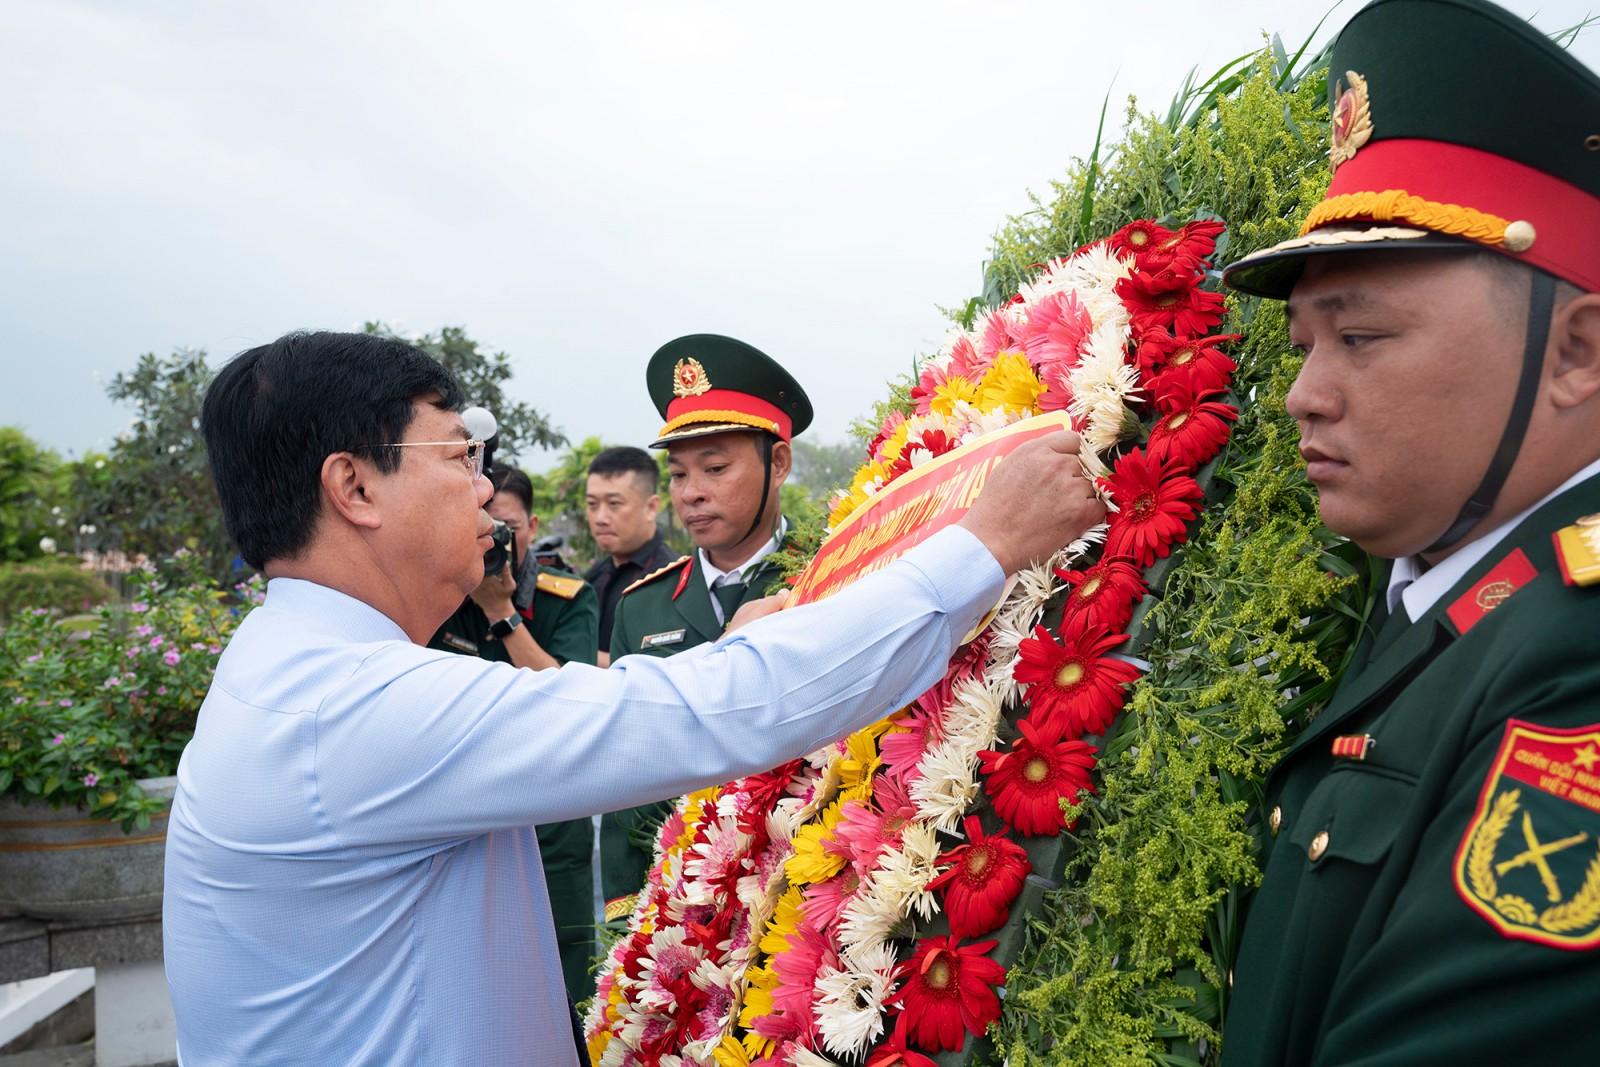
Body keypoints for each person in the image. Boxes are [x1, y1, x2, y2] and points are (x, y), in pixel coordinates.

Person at [163, 329, 1103, 1065]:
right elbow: (700, 714)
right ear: (355, 485)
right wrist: (989, 538)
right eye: (459, 454)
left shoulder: (301, 669)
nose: (486, 488)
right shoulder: (346, 705)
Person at [1218, 1, 1600, 1062]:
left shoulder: (1576, 656)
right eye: (1303, 343)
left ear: (1578, 351)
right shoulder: (1444, 585)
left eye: (1361, 336)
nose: (1302, 394)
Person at [599, 334, 812, 917]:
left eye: (715, 468)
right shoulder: (641, 607)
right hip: (678, 913)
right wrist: (629, 919)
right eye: (678, 475)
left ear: (780, 462)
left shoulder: (829, 575)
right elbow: (628, 776)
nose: (691, 493)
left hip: (802, 893)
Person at [426, 465, 600, 1004]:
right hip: (466, 824)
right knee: (485, 982)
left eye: (509, 526)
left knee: (570, 978)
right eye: (482, 526)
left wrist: (501, 612)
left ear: (532, 524)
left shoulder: (567, 598)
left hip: (553, 824)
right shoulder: (437, 600)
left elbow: (571, 707)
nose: (497, 540)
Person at [582, 446, 677, 668]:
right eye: (592, 505)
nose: (600, 518)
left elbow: (661, 669)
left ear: (652, 507)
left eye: (614, 504)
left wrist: (574, 656)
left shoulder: (672, 580)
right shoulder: (595, 575)